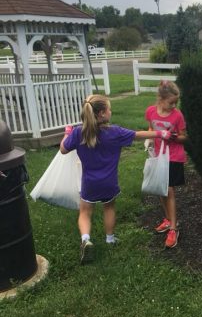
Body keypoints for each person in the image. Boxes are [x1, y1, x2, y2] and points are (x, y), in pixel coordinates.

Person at [60, 94, 172, 264]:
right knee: (109, 207)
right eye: (109, 109)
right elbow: (137, 135)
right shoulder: (115, 132)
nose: (111, 111)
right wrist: (159, 133)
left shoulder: (78, 133)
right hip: (109, 183)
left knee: (85, 212)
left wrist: (67, 134)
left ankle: (85, 239)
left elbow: (63, 149)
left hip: (90, 183)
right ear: (102, 114)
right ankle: (110, 239)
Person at [145, 80, 187, 248]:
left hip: (173, 157)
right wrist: (149, 138)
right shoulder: (150, 112)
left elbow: (184, 136)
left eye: (176, 102)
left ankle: (174, 228)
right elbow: (150, 128)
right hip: (158, 156)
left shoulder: (177, 115)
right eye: (171, 102)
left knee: (169, 190)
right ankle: (168, 219)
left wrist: (174, 136)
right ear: (160, 99)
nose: (174, 106)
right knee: (160, 189)